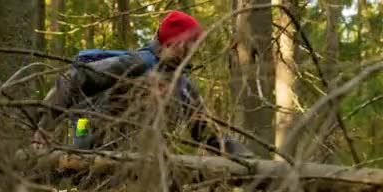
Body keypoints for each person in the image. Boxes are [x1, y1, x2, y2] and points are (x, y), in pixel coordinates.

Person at [31, 10, 253, 158]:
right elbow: (73, 78)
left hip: (146, 170)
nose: (196, 49)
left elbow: (208, 134)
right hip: (98, 151)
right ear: (178, 43)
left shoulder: (184, 85)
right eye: (193, 42)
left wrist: (249, 161)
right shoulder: (137, 63)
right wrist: (44, 129)